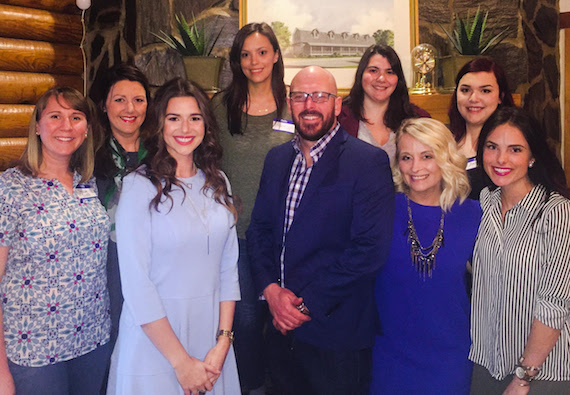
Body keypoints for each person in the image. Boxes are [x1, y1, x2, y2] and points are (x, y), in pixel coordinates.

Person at [247, 66, 395, 394]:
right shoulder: (276, 159)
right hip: (279, 332)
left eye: (320, 96)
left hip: (336, 336)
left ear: (338, 104)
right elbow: (259, 231)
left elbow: (369, 249)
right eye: (300, 96)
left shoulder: (367, 162)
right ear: (290, 103)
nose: (309, 104)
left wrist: (303, 305)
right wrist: (271, 292)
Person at [107, 78, 240, 395]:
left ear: (206, 124)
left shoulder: (218, 182)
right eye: (173, 118)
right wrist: (181, 363)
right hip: (155, 342)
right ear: (159, 124)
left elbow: (228, 269)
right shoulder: (139, 187)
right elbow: (137, 285)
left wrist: (223, 342)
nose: (185, 128)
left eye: (194, 118)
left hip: (211, 341)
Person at [0, 87, 111, 394]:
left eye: (76, 117)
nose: (66, 126)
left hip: (92, 340)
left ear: (86, 129)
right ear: (37, 126)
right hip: (34, 351)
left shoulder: (87, 182)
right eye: (55, 116)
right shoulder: (10, 188)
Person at [371, 118, 481, 394]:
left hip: (451, 357)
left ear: (445, 158)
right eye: (406, 157)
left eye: (427, 156)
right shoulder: (379, 210)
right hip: (389, 357)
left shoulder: (474, 214)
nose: (415, 168)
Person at [210, 22, 292, 393]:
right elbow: (204, 162)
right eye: (245, 54)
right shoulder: (220, 106)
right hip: (237, 236)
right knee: (243, 321)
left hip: (288, 235)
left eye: (261, 52)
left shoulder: (296, 103)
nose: (254, 61)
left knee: (284, 320)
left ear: (276, 55)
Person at [470, 107, 570, 394]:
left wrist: (523, 377)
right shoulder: (485, 202)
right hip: (486, 365)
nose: (501, 159)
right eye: (492, 147)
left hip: (542, 375)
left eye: (515, 149)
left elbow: (554, 304)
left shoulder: (557, 212)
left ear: (532, 156)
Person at [92, 63, 151, 355]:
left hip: (155, 259)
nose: (130, 108)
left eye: (138, 100)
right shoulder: (88, 154)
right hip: (107, 263)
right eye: (119, 100)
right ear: (104, 105)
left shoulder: (163, 152)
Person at [339, 44, 430, 162]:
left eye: (390, 72)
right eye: (373, 70)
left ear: (398, 79)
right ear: (361, 75)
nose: (381, 78)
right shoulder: (339, 118)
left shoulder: (419, 118)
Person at [448, 57, 515, 199]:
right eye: (465, 90)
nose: (473, 98)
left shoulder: (514, 146)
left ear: (500, 97)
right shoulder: (443, 141)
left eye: (485, 91)